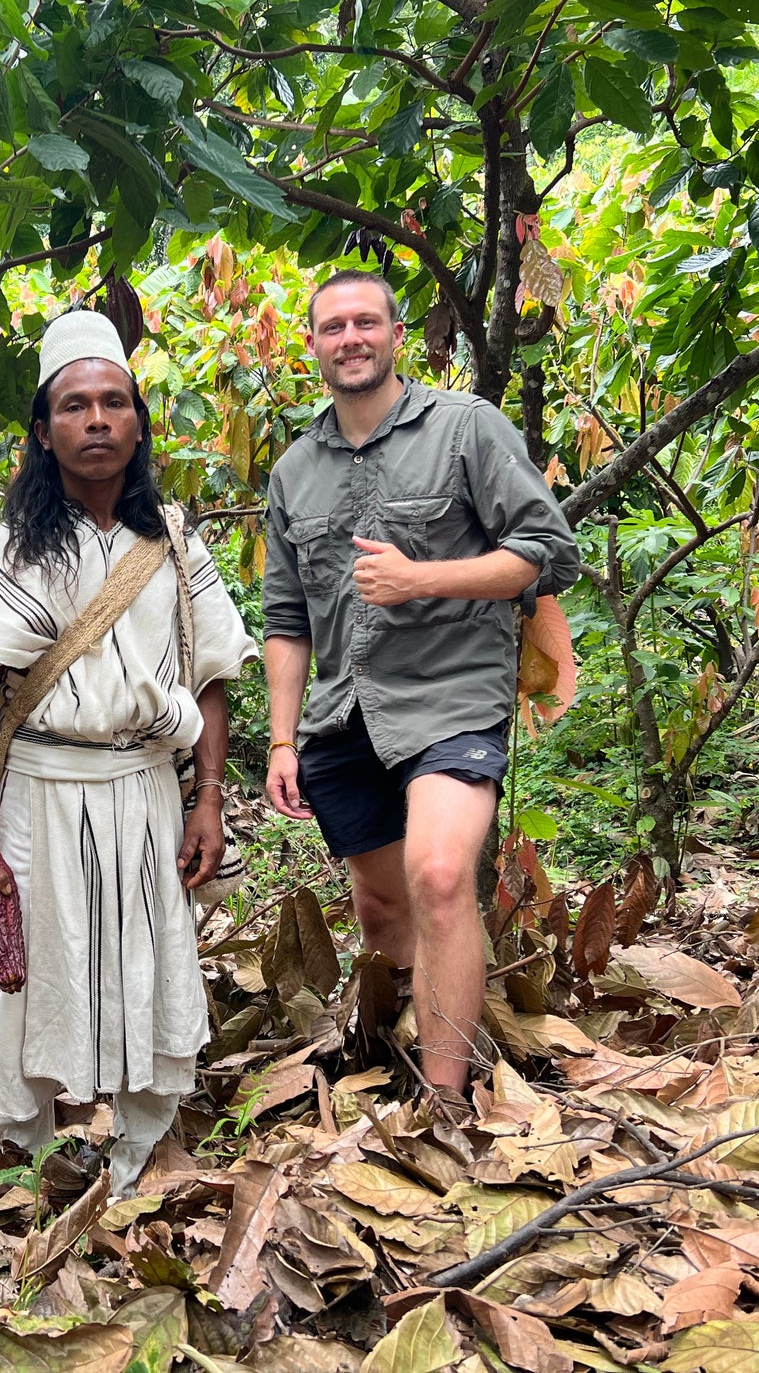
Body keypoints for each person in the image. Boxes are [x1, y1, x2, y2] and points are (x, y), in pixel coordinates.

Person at [0, 310, 257, 1195]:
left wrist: (208, 798)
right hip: (38, 790)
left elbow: (210, 678)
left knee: (151, 962)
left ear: (139, 421)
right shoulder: (12, 550)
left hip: (147, 789)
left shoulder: (174, 545)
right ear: (44, 431)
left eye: (114, 402)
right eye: (74, 406)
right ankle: (19, 1167)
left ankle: (143, 1159)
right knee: (32, 977)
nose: (97, 420)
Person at [262, 270, 578, 1103]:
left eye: (367, 322)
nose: (351, 338)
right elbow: (286, 619)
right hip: (344, 713)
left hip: (451, 698)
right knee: (382, 907)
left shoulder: (465, 427)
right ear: (312, 345)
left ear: (398, 334)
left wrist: (422, 578)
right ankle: (406, 1053)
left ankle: (446, 1105)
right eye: (334, 327)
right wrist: (283, 739)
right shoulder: (294, 470)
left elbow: (548, 551)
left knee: (439, 876)